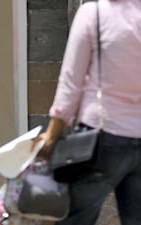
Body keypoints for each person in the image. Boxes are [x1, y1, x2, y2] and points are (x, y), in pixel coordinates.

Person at [33, 1, 141, 225]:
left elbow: (71, 83)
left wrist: (51, 136)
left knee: (76, 218)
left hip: (101, 139)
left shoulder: (95, 15)